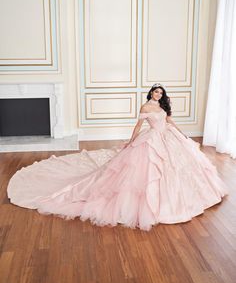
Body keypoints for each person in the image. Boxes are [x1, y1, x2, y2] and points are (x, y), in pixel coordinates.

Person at [7, 84, 228, 231]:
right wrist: (131, 141)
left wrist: (182, 134)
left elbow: (169, 122)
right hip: (151, 140)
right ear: (150, 93)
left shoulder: (162, 106)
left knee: (180, 166)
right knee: (146, 169)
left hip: (167, 137)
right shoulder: (146, 106)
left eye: (160, 93)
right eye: (155, 92)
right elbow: (139, 125)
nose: (157, 95)